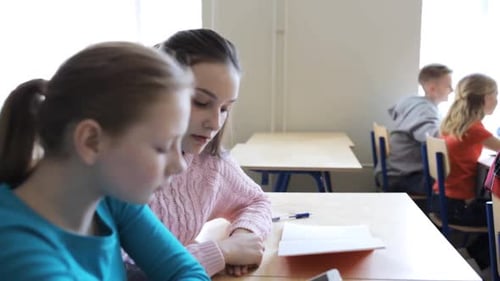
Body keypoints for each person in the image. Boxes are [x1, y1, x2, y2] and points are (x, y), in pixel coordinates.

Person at [0, 42, 210, 280]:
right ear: (91, 141)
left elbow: (187, 271)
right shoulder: (20, 255)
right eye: (162, 147)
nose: (180, 165)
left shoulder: (107, 194)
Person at [125, 29, 272, 278]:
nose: (215, 123)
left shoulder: (209, 162)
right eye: (201, 102)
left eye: (225, 108)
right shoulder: (118, 169)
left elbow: (257, 201)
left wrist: (243, 238)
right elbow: (127, 271)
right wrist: (221, 252)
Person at [432, 73, 500, 271]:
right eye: (494, 93)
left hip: (443, 201)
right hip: (457, 207)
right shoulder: (474, 128)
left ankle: (469, 257)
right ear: (482, 98)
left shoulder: (453, 123)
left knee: (493, 207)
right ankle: (472, 265)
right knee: (497, 214)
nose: (497, 99)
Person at [375, 64, 453, 195]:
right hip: (402, 177)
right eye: (448, 86)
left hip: (393, 171)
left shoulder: (415, 104)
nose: (451, 90)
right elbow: (435, 138)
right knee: (458, 185)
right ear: (432, 88)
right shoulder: (423, 110)